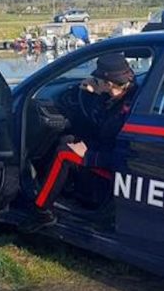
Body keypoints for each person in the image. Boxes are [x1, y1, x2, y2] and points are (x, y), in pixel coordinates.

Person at [32, 52, 137, 223]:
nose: (93, 81)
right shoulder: (127, 95)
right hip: (106, 150)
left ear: (108, 83)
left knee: (64, 154)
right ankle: (59, 190)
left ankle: (41, 211)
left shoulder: (125, 112)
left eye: (96, 79)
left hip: (113, 167)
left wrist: (89, 156)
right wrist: (93, 94)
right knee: (67, 140)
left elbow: (125, 157)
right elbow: (99, 126)